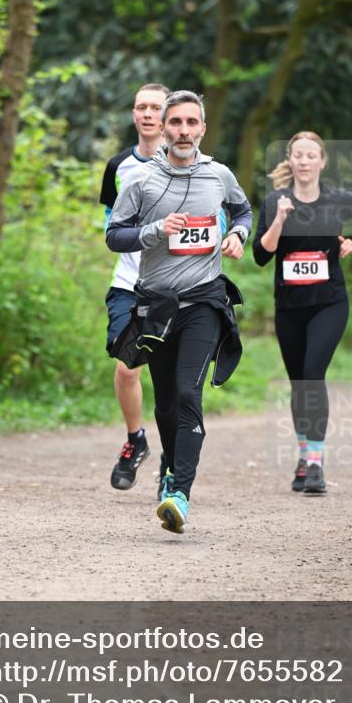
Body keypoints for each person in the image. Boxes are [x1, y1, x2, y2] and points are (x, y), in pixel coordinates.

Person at [106, 90, 252, 533]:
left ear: (202, 128)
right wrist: (155, 230)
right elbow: (115, 235)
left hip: (204, 302)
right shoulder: (141, 180)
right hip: (157, 307)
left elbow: (243, 211)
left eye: (192, 122)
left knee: (189, 394)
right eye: (176, 123)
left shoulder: (219, 174)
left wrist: (239, 235)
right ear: (165, 128)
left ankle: (179, 494)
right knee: (167, 403)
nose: (184, 131)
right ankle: (170, 467)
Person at [252, 132, 352, 495]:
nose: (305, 161)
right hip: (289, 306)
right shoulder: (275, 201)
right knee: (298, 383)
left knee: (312, 374)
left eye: (311, 155)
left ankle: (315, 464)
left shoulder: (338, 198)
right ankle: (304, 455)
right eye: (298, 155)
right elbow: (261, 256)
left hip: (329, 303)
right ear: (290, 161)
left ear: (322, 162)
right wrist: (279, 220)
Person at [100, 83, 170, 492]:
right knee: (127, 368)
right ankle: (135, 440)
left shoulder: (185, 164)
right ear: (133, 114)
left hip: (172, 284)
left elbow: (213, 215)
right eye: (141, 107)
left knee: (169, 373)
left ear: (167, 115)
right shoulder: (118, 165)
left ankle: (173, 456)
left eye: (155, 107)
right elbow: (111, 223)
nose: (147, 114)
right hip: (128, 283)